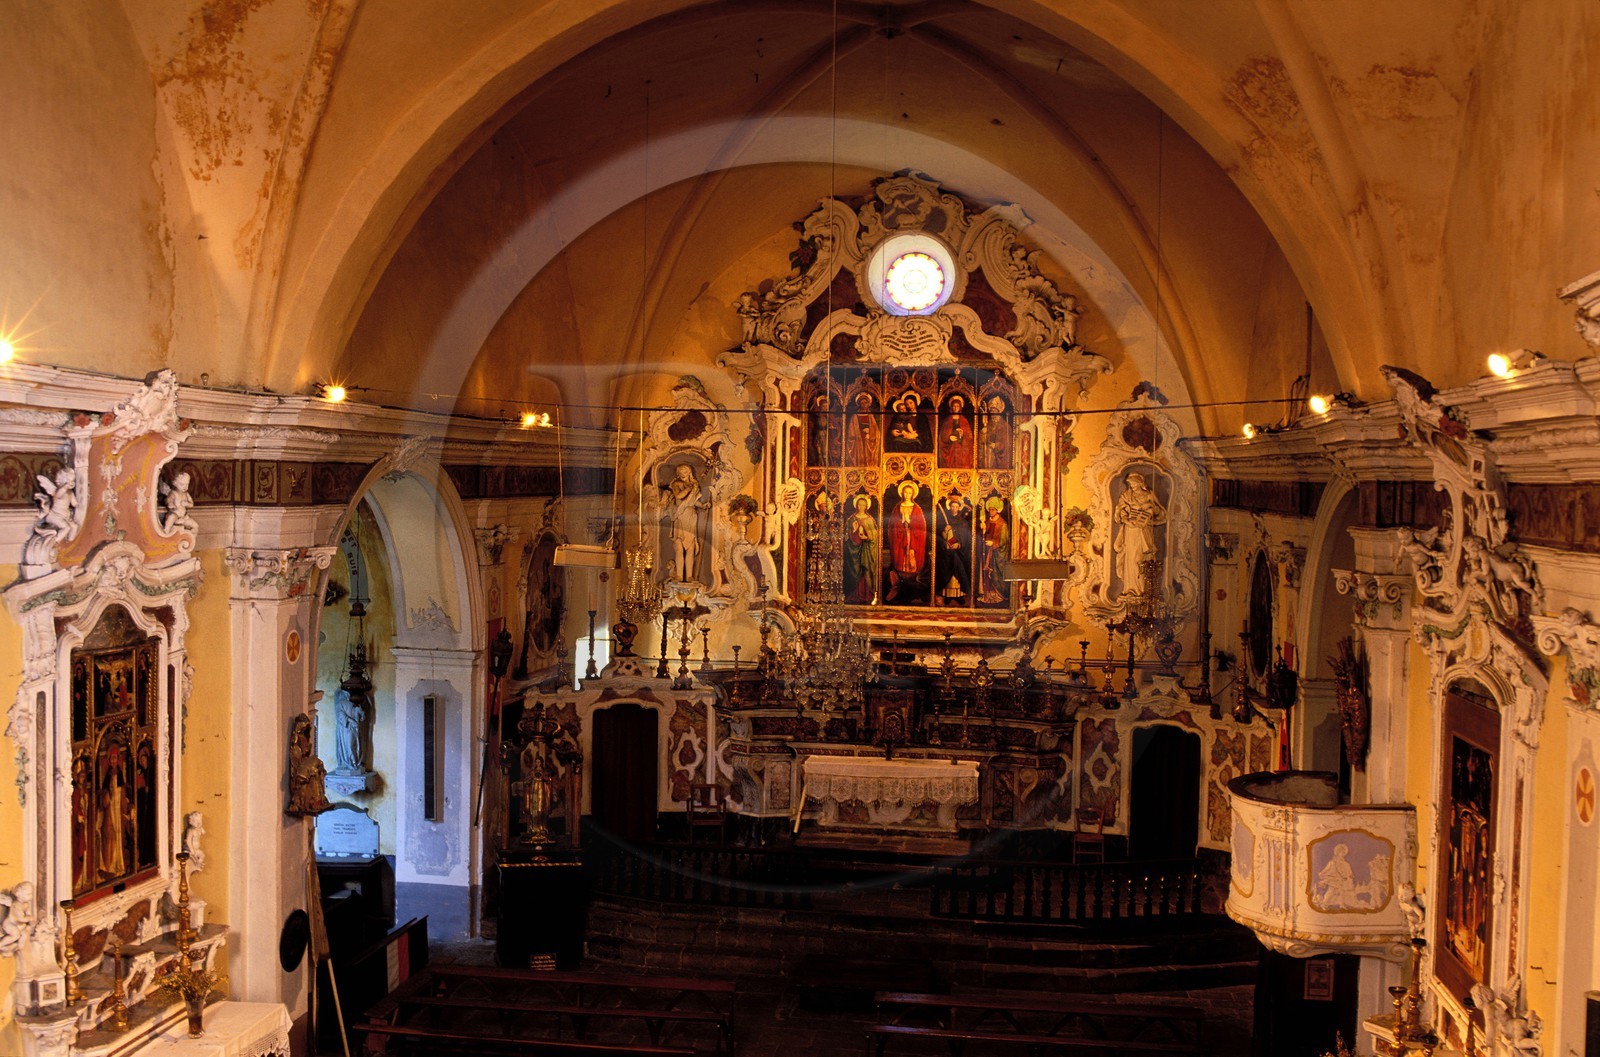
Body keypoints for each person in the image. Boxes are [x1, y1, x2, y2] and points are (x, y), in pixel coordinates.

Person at [1114, 472, 1167, 597]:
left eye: (1133, 482)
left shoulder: (1148, 495)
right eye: (1130, 483)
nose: (1131, 485)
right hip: (1130, 530)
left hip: (1144, 530)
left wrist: (1149, 510)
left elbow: (1160, 512)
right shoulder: (1126, 495)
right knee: (1131, 558)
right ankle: (1130, 588)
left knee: (1141, 557)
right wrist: (1127, 519)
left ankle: (1142, 589)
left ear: (1139, 483)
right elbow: (1120, 510)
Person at [664, 462, 708, 583]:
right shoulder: (676, 484)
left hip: (690, 516)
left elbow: (693, 502)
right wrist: (689, 488)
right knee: (679, 547)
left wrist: (703, 506)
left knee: (690, 547)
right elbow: (679, 496)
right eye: (680, 472)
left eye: (685, 472)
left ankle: (689, 576)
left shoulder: (694, 486)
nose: (682, 474)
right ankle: (678, 575)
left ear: (689, 473)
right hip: (679, 515)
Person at [884, 481, 927, 602]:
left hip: (913, 541)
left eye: (910, 492)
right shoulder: (897, 508)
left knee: (912, 567)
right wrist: (902, 524)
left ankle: (911, 591)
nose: (907, 494)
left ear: (913, 494)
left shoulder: (916, 508)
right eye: (905, 492)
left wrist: (911, 523)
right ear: (902, 493)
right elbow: (892, 526)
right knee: (900, 566)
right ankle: (899, 590)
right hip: (901, 540)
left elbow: (921, 527)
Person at [936, 492, 972, 605]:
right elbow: (939, 537)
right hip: (947, 552)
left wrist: (959, 544)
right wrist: (945, 532)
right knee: (946, 570)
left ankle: (959, 595)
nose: (954, 508)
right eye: (952, 506)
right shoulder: (944, 521)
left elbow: (966, 537)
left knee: (959, 571)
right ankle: (947, 595)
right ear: (949, 507)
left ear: (959, 508)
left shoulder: (963, 522)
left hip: (959, 552)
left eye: (956, 506)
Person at [845, 495, 879, 604]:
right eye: (859, 504)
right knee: (854, 571)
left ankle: (867, 595)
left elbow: (875, 535)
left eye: (863, 505)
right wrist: (853, 531)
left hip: (866, 550)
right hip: (853, 551)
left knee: (866, 571)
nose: (861, 506)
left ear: (866, 506)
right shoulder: (851, 519)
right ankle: (853, 595)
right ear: (856, 505)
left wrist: (867, 537)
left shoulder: (870, 519)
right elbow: (845, 535)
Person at [978, 497, 1010, 604]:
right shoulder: (987, 521)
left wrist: (994, 543)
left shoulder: (1003, 524)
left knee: (995, 573)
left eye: (993, 509)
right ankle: (988, 595)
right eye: (990, 509)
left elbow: (1004, 541)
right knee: (986, 573)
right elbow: (986, 534)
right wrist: (983, 529)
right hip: (987, 551)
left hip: (997, 553)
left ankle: (998, 595)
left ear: (997, 510)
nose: (991, 511)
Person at [333, 687, 365, 774]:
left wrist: (360, 712)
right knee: (349, 745)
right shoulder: (340, 703)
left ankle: (355, 762)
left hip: (354, 728)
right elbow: (340, 715)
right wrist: (351, 721)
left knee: (355, 745)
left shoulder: (354, 703)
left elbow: (362, 717)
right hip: (346, 728)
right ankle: (352, 763)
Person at [938, 394, 974, 467]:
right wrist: (949, 438)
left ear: (960, 407)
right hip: (950, 447)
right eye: (954, 406)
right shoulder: (947, 420)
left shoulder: (964, 420)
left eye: (957, 406)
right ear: (951, 407)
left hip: (961, 447)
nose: (955, 408)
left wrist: (962, 434)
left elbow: (969, 437)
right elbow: (943, 435)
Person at [846, 392, 879, 465]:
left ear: (868, 404)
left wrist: (870, 434)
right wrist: (858, 435)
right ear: (859, 404)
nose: (864, 405)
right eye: (862, 403)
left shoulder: (870, 416)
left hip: (868, 439)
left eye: (866, 402)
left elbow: (875, 429)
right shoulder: (854, 416)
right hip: (858, 440)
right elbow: (851, 431)